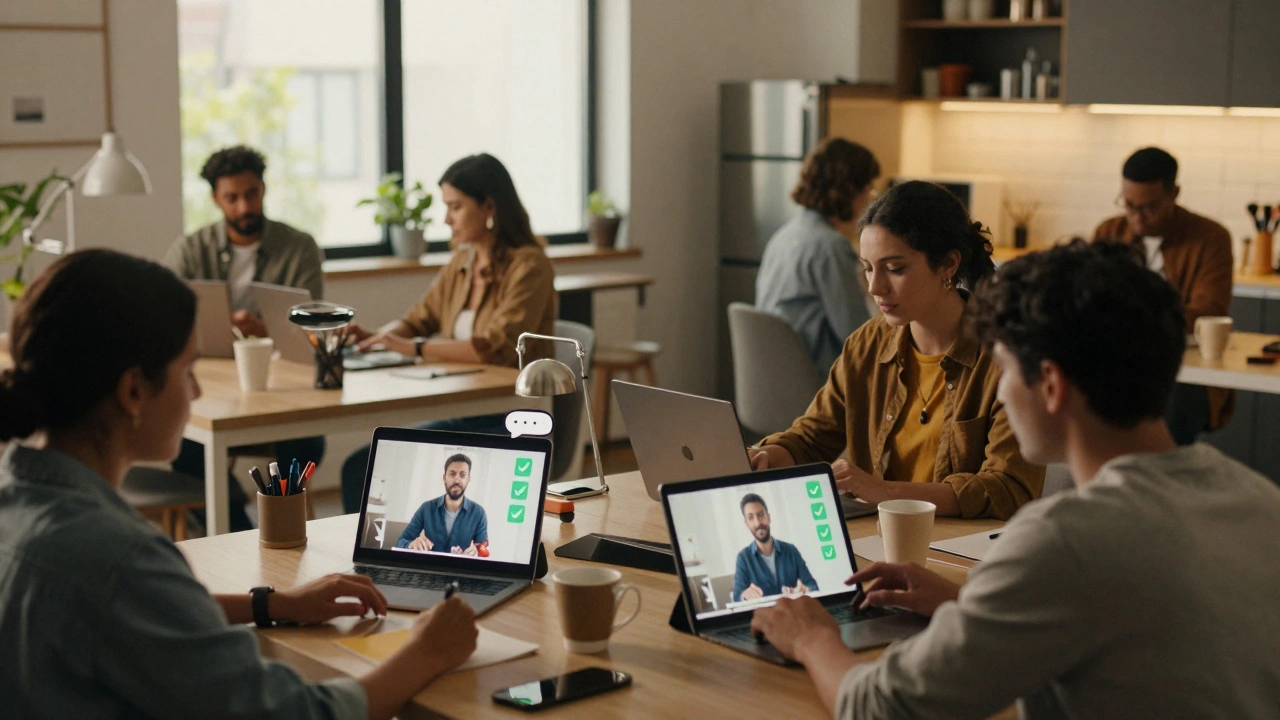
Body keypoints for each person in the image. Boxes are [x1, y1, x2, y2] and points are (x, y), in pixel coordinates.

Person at [750, 241, 1280, 719]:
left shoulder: (1063, 542)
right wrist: (967, 604)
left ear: (1050, 385)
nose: (1001, 393)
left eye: (1004, 369)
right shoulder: (1258, 499)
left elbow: (879, 708)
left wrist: (812, 637)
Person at [0, 249, 479, 720]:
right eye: (188, 371)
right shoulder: (121, 559)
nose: (196, 391)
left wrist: (270, 603)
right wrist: (427, 652)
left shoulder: (19, 506)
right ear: (133, 391)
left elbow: (128, 614)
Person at [749, 181, 1044, 521]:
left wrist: (885, 491)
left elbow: (1008, 488)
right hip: (877, 538)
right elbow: (810, 440)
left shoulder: (1006, 358)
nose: (875, 287)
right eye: (868, 268)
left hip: (958, 545)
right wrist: (765, 456)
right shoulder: (867, 345)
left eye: (894, 269)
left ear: (948, 264)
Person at [341, 154, 556, 512]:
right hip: (465, 411)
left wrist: (413, 347)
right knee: (360, 467)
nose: (446, 219)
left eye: (455, 207)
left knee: (365, 467)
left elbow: (493, 347)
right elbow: (418, 319)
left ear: (489, 207)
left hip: (508, 420)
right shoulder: (462, 262)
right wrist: (375, 338)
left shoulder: (530, 265)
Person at [164, 144, 327, 531]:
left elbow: (311, 323)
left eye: (251, 194)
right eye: (232, 197)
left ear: (263, 189)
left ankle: (283, 531)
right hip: (215, 385)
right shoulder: (191, 249)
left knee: (305, 444)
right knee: (187, 449)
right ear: (215, 199)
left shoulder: (298, 246)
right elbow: (164, 313)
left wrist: (266, 328)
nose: (244, 207)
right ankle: (238, 531)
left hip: (281, 387)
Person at [1093, 146, 1234, 445]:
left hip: (1183, 367)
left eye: (1149, 208)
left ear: (1175, 193)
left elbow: (1207, 312)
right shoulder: (1109, 232)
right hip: (1116, 362)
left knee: (1167, 403)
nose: (1137, 218)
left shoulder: (1210, 238)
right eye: (1129, 205)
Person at [756, 138, 881, 374]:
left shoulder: (784, 236)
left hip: (777, 377)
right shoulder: (830, 246)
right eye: (868, 190)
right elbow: (858, 337)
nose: (868, 200)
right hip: (819, 381)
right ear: (850, 190)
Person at [396, 453, 489, 555]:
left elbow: (484, 551)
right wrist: (411, 545)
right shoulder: (426, 508)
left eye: (462, 475)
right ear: (444, 478)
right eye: (452, 474)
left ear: (468, 479)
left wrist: (477, 553)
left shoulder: (479, 513)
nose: (457, 479)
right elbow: (400, 542)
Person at [732, 493, 817, 602]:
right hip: (765, 613)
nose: (757, 523)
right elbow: (737, 599)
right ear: (746, 523)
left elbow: (813, 586)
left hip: (793, 611)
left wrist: (806, 590)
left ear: (768, 517)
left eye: (761, 514)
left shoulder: (791, 551)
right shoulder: (743, 558)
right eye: (751, 518)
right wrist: (744, 596)